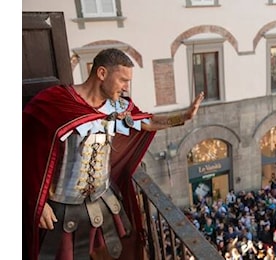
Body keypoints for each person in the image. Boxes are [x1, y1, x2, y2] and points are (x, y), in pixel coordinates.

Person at [23, 48, 205, 260]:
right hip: (61, 207)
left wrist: (183, 116)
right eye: (123, 80)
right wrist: (37, 201)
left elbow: (148, 122)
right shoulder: (55, 101)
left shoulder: (118, 107)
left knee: (112, 254)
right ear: (102, 73)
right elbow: (26, 154)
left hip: (103, 201)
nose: (127, 87)